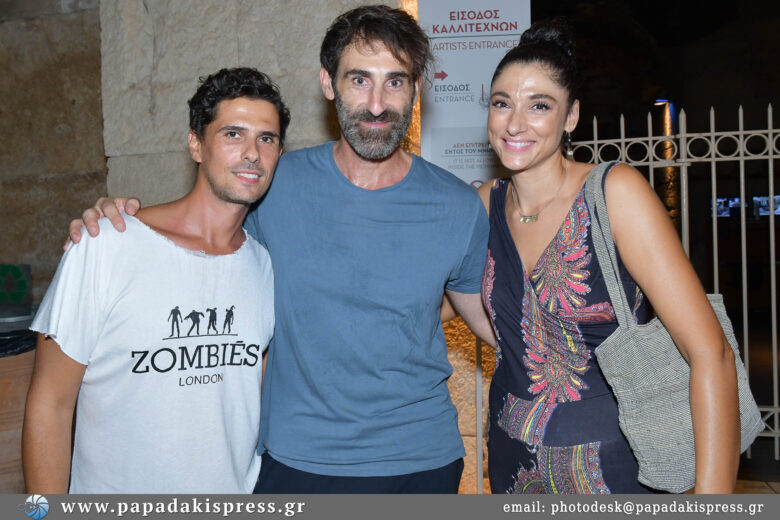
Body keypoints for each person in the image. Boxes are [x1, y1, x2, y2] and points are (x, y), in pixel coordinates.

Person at [66, 5, 494, 493]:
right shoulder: (273, 183)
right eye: (359, 80)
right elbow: (200, 225)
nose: (377, 104)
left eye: (394, 82)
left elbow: (489, 318)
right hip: (296, 460)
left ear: (416, 87)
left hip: (420, 461)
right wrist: (120, 219)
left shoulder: (455, 205)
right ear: (328, 83)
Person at [478, 19, 740, 493]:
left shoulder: (613, 193)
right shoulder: (484, 205)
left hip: (614, 469)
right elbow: (463, 307)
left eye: (539, 105)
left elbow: (710, 352)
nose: (515, 123)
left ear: (571, 116)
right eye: (502, 103)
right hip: (511, 465)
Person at [23, 67, 290, 493]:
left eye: (267, 139)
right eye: (233, 134)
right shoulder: (105, 245)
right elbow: (50, 405)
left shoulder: (264, 266)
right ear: (195, 144)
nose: (252, 153)